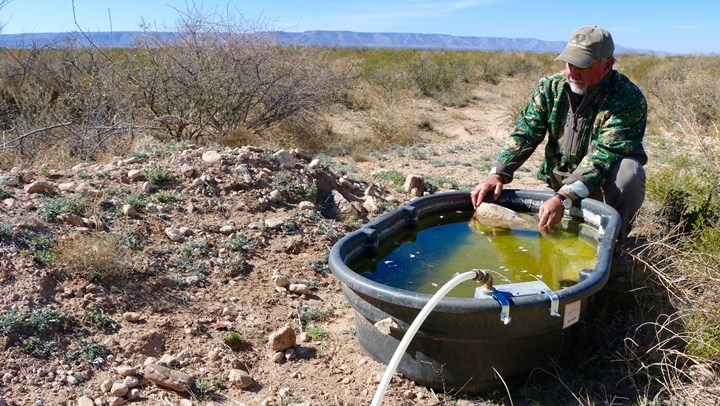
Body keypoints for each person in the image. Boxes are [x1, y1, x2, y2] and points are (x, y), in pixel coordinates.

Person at [470, 26, 647, 246]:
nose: (573, 73)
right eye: (569, 63)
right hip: (558, 183)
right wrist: (498, 173)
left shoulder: (627, 98)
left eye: (583, 65)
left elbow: (604, 155)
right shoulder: (550, 87)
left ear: (607, 65)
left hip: (600, 188)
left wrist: (564, 197)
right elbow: (526, 131)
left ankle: (613, 245)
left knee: (629, 172)